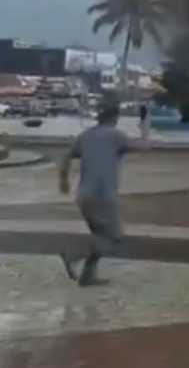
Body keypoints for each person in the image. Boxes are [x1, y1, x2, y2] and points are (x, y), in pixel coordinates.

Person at [58, 99, 150, 286]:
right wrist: (145, 127)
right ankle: (74, 256)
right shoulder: (115, 135)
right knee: (114, 238)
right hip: (103, 196)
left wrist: (64, 180)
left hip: (84, 196)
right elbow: (144, 147)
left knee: (100, 237)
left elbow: (66, 156)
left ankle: (87, 277)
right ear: (115, 117)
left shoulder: (86, 135)